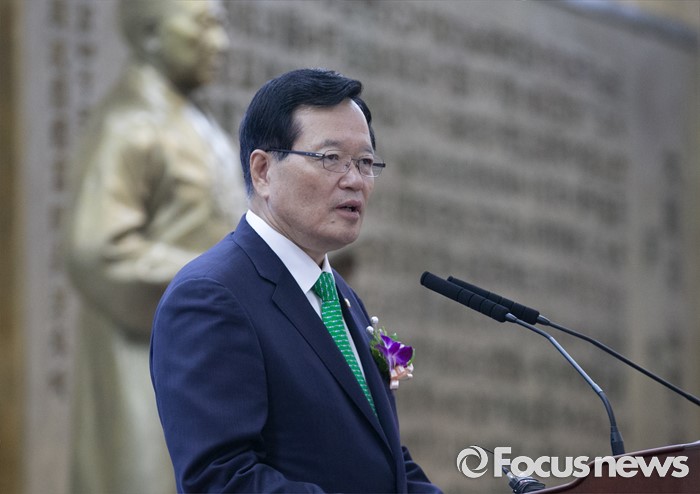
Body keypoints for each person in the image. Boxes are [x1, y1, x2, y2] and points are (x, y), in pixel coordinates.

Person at [150, 68, 442, 493]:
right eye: (330, 158)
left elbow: (385, 463)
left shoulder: (339, 295)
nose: (354, 180)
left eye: (364, 162)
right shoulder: (211, 296)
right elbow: (222, 479)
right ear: (263, 170)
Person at [65, 1, 245, 493]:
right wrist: (222, 280)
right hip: (146, 355)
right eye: (203, 26)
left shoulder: (195, 123)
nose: (221, 44)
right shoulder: (130, 125)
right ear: (150, 33)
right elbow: (99, 252)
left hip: (204, 357)